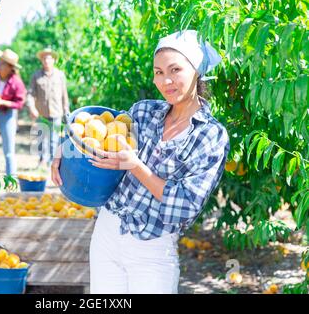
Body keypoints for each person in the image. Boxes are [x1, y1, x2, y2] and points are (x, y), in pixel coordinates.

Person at [51, 30, 230, 293]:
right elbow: (99, 135)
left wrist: (135, 164)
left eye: (175, 69)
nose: (165, 80)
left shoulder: (211, 135)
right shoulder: (144, 111)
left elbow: (184, 206)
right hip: (108, 233)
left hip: (153, 249)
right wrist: (65, 147)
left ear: (196, 71)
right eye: (158, 72)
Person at [26, 48, 70, 169]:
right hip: (41, 113)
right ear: (42, 61)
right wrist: (31, 108)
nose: (46, 61)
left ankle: (51, 162)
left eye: (49, 58)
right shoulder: (36, 76)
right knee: (41, 139)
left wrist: (67, 112)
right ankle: (42, 160)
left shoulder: (60, 75)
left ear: (53, 60)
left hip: (56, 113)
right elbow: (30, 94)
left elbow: (64, 95)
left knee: (53, 140)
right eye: (44, 58)